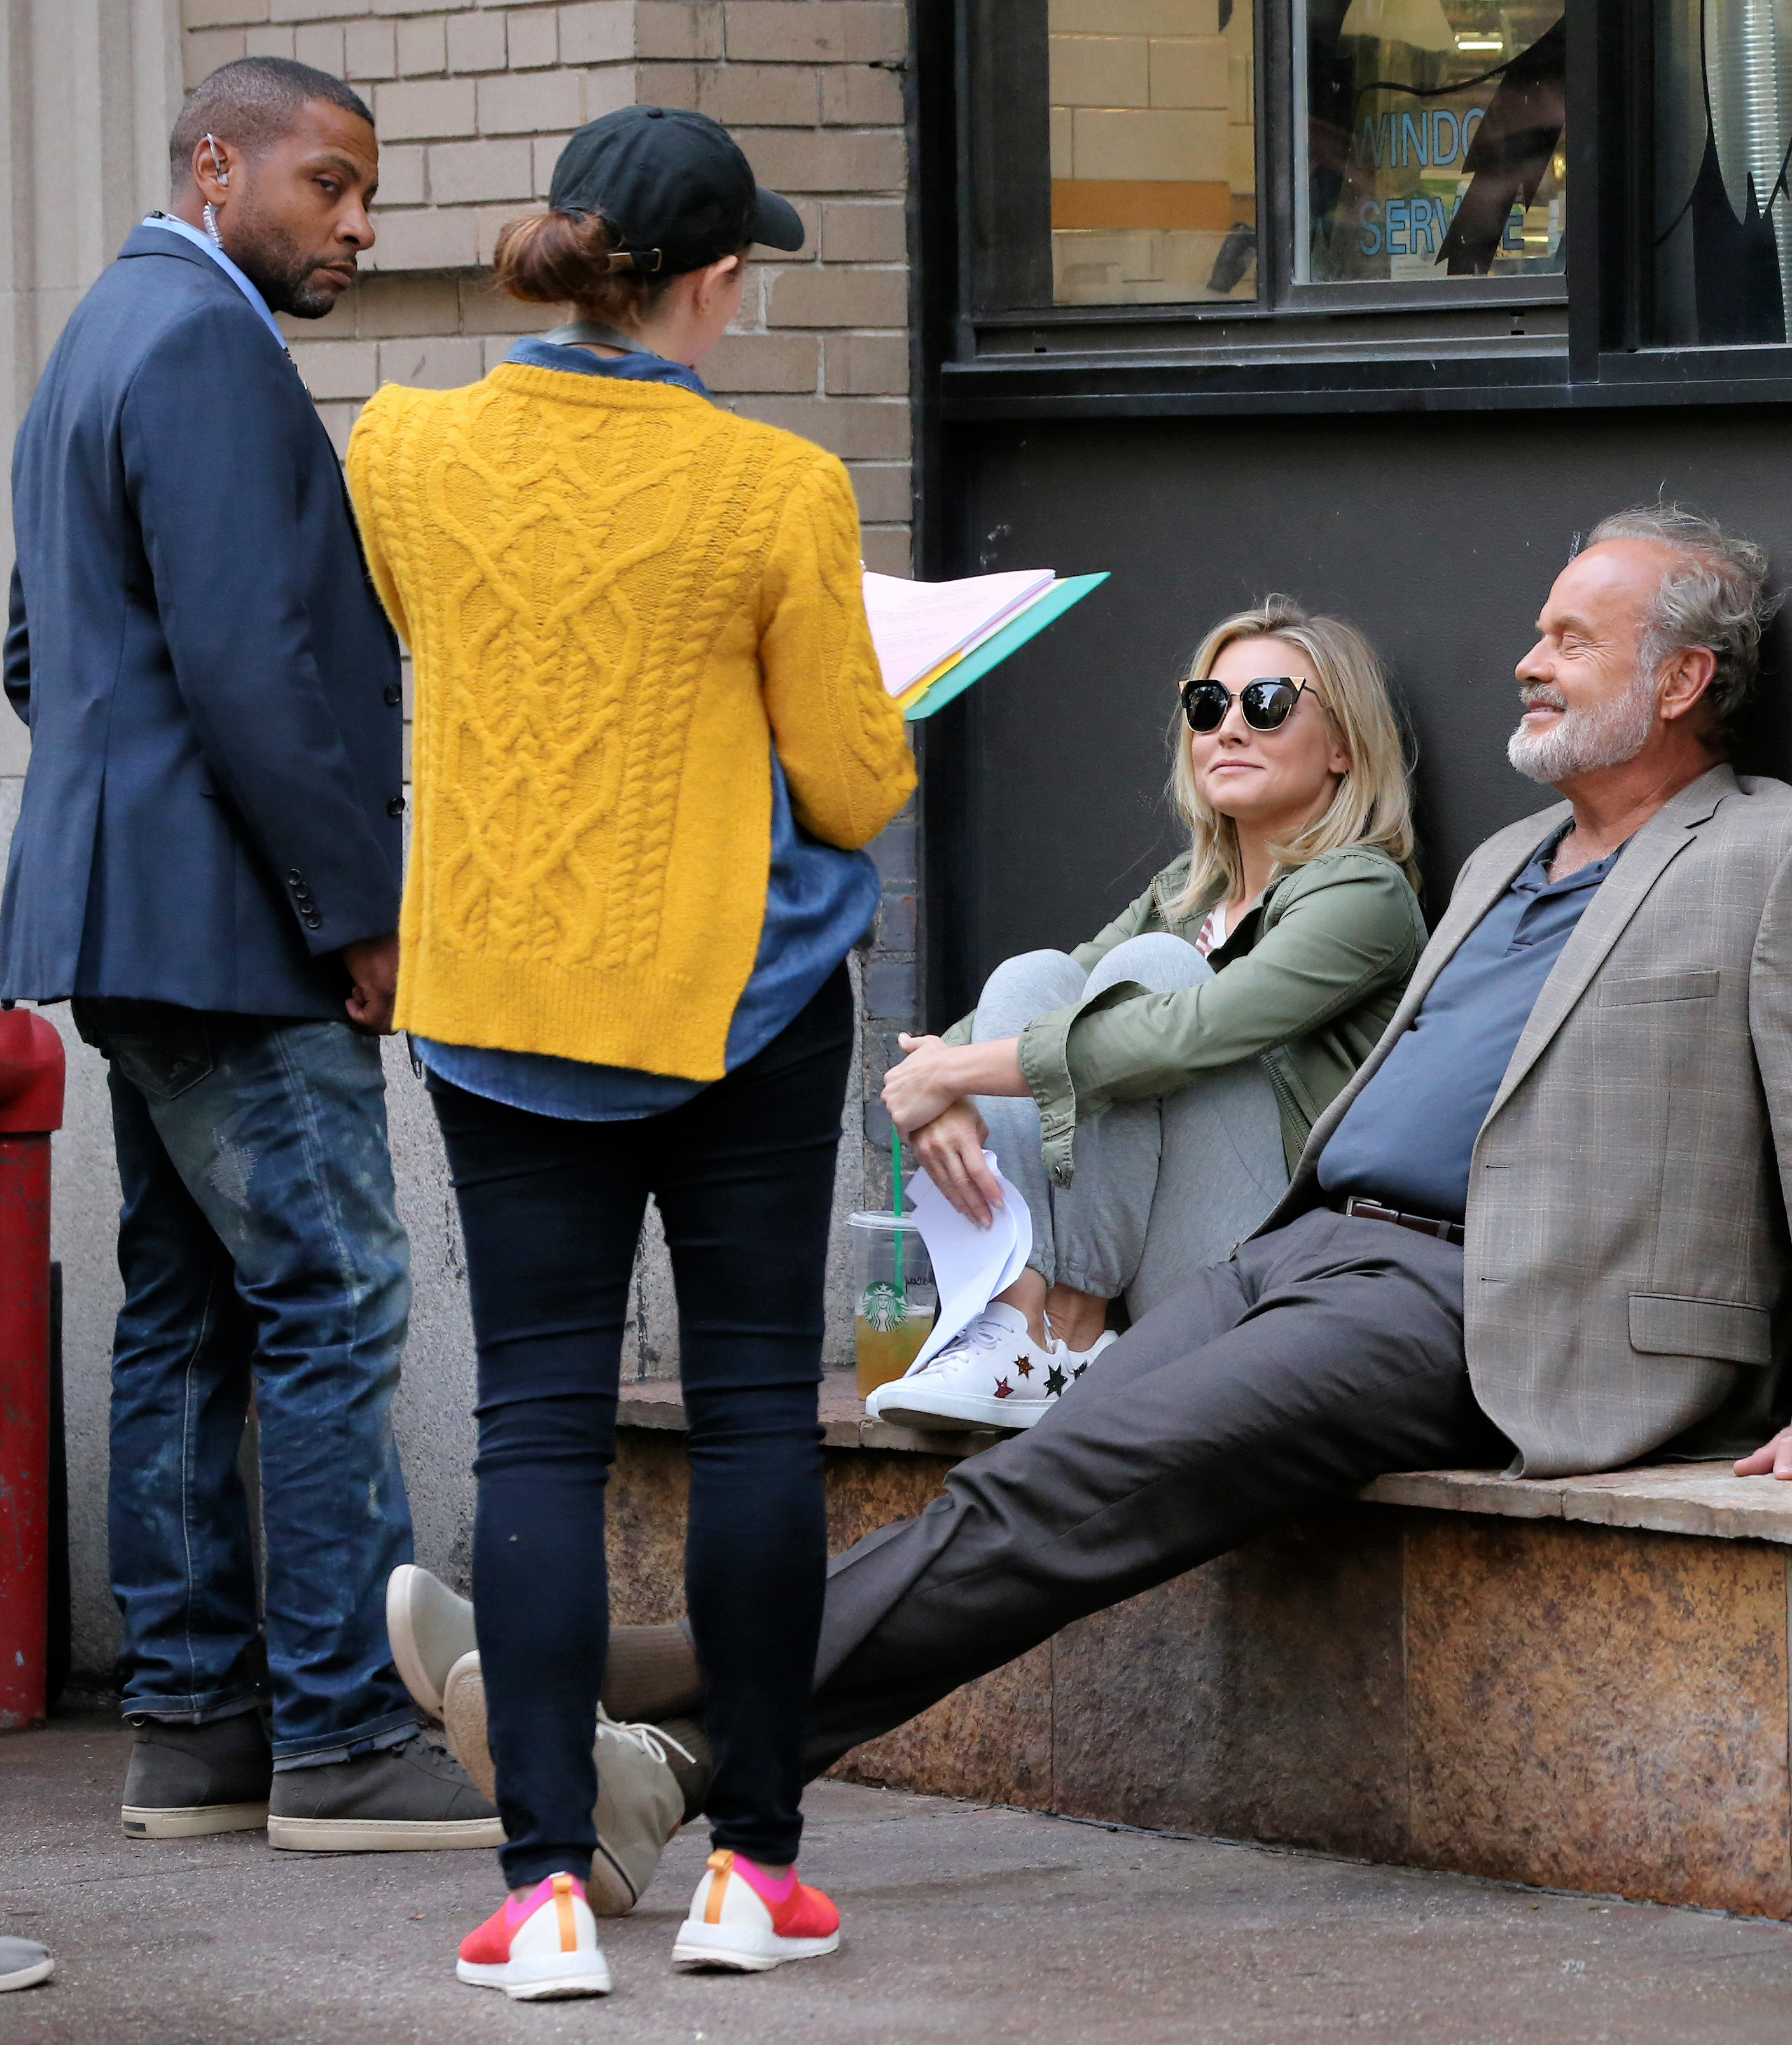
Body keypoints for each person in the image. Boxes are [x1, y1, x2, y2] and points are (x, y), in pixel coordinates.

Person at [389, 502, 1792, 1809]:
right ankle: (670, 1768)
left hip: (1488, 1302)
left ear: (1679, 678)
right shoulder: (1506, 857)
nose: (1526, 661)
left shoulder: (1779, 851)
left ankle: (624, 1670)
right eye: (1537, 632)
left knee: (1060, 1485)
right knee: (1046, 1483)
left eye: (1568, 638)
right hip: (1307, 1246)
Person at [350, 106, 917, 1999]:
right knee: (755, 1412)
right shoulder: (779, 485)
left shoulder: (401, 450)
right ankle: (757, 1865)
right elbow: (851, 780)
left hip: (501, 1001)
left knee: (534, 1422)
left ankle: (541, 1894)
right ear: (718, 279)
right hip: (735, 1003)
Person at [1, 59, 496, 1851]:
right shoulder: (207, 344)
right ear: (217, 165)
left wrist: (126, 810)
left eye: (366, 193)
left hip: (138, 921)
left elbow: (37, 650)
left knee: (191, 1313)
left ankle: (199, 1727)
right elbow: (248, 665)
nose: (358, 224)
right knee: (335, 1294)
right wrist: (355, 907)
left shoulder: (97, 333)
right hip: (231, 933)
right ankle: (346, 1731)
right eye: (327, 184)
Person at [874, 598, 1426, 1430]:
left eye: (1266, 704)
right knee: (1035, 974)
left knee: (1152, 976)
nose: (1228, 729)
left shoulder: (1362, 892)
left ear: (1343, 745)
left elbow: (1187, 1032)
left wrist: (951, 1074)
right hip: (1158, 1265)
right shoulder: (1187, 892)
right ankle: (1022, 1330)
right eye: (1207, 705)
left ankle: (1061, 1332)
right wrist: (941, 1088)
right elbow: (1012, 1014)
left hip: (1269, 1275)